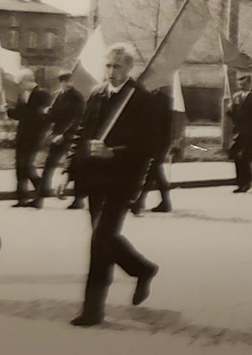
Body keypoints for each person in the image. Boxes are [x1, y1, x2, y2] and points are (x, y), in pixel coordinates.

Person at [59, 43, 160, 326]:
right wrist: (67, 171)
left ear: (129, 69)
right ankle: (142, 269)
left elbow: (148, 145)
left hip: (122, 179)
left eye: (117, 66)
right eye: (108, 66)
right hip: (94, 177)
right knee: (104, 238)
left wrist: (114, 152)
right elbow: (81, 133)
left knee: (100, 240)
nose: (111, 71)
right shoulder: (96, 94)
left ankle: (93, 308)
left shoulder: (141, 99)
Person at [37, 70, 85, 209]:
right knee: (49, 164)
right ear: (61, 82)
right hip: (57, 134)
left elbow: (77, 119)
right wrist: (47, 113)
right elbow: (55, 116)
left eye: (69, 80)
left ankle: (78, 199)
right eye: (64, 81)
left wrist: (64, 134)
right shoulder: (58, 95)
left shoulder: (77, 97)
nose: (67, 83)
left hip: (72, 136)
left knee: (74, 167)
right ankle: (39, 197)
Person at [8, 68, 50, 208]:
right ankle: (22, 198)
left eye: (20, 82)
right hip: (22, 134)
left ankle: (40, 192)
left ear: (27, 80)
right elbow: (20, 115)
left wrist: (41, 134)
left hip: (34, 136)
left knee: (27, 165)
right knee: (20, 166)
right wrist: (8, 111)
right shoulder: (23, 94)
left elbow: (43, 117)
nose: (19, 85)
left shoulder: (42, 94)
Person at [133, 86, 175, 214]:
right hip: (143, 141)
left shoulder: (166, 100)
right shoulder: (141, 97)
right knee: (154, 172)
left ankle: (140, 200)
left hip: (159, 143)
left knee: (154, 170)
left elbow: (168, 124)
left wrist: (167, 145)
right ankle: (163, 202)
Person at [228, 73, 252, 193]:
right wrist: (229, 110)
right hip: (239, 132)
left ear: (249, 83)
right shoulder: (236, 97)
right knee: (236, 157)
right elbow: (233, 114)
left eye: (244, 83)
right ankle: (241, 182)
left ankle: (247, 181)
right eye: (239, 83)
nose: (241, 85)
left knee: (246, 157)